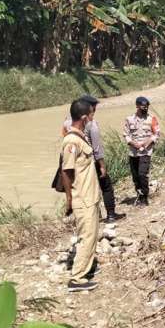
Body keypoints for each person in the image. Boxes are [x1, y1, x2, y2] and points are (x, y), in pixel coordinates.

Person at [60, 99, 102, 292]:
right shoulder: (71, 141)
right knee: (87, 236)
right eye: (92, 115)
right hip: (82, 198)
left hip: (90, 196)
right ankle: (77, 278)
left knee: (92, 235)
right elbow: (66, 172)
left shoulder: (80, 136)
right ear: (85, 117)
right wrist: (69, 200)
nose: (93, 118)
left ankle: (86, 267)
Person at [61, 94, 123, 222]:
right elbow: (97, 148)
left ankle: (94, 216)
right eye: (94, 107)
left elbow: (64, 140)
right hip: (91, 161)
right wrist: (102, 166)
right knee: (106, 186)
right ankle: (111, 214)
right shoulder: (92, 124)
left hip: (76, 162)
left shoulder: (67, 122)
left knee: (83, 190)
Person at [122, 96, 160, 206]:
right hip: (133, 152)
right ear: (137, 106)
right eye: (143, 107)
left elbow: (156, 134)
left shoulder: (151, 119)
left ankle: (145, 197)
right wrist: (134, 144)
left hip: (146, 152)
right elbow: (126, 134)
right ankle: (139, 195)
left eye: (147, 107)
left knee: (142, 174)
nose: (145, 109)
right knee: (135, 176)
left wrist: (147, 143)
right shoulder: (129, 119)